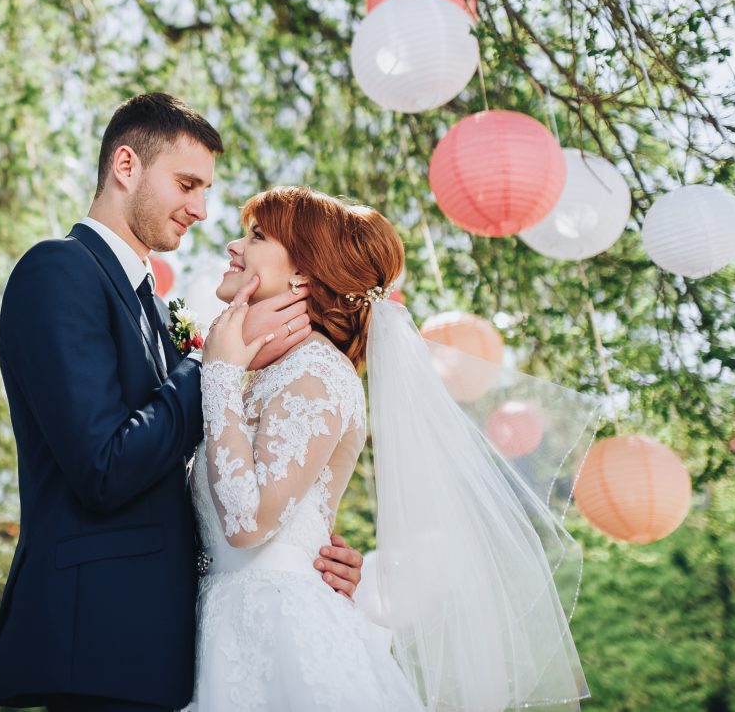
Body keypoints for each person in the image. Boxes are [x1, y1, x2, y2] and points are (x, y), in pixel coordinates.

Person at [0, 95, 365, 712]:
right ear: (125, 165)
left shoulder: (157, 310)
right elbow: (103, 467)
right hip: (99, 642)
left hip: (180, 646)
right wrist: (214, 366)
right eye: (187, 184)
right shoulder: (59, 271)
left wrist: (302, 550)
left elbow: (200, 471)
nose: (202, 210)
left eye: (206, 189)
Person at [189, 187, 589, 712]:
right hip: (222, 625)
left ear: (302, 276)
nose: (233, 246)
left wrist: (218, 370)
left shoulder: (315, 372)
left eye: (257, 236)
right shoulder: (255, 371)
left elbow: (245, 521)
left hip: (274, 633)